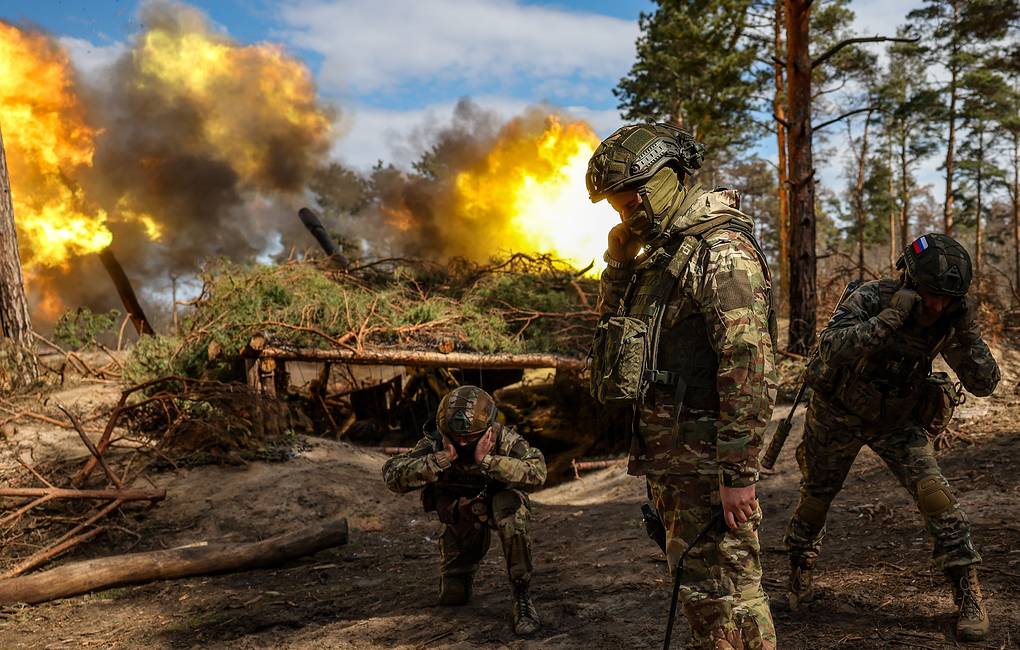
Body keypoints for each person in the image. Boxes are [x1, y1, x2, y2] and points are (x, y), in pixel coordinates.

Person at [587, 123, 778, 650]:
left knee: (725, 593)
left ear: (667, 180)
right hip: (675, 459)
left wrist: (737, 473)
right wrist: (618, 266)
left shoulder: (720, 252)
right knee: (709, 593)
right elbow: (613, 334)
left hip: (707, 461)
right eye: (617, 208)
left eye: (633, 202)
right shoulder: (662, 254)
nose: (627, 215)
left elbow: (750, 365)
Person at [783, 233, 1000, 642]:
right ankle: (799, 569)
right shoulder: (872, 297)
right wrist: (887, 321)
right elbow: (830, 348)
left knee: (936, 496)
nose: (937, 306)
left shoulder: (949, 320)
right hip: (838, 413)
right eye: (931, 295)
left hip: (896, 420)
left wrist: (968, 333)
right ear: (910, 282)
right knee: (816, 497)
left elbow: (984, 383)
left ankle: (967, 587)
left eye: (947, 299)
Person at [382, 385, 547, 636]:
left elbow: (538, 471)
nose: (461, 442)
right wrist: (440, 459)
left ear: (488, 429)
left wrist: (487, 461)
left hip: (498, 509)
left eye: (469, 438)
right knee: (453, 596)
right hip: (463, 517)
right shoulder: (436, 442)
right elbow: (392, 474)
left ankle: (521, 595)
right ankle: (462, 571)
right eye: (455, 436)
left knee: (511, 508)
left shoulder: (503, 439)